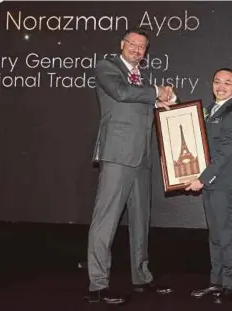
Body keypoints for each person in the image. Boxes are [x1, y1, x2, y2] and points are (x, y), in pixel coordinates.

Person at [85, 28, 176, 305]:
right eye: (133, 44)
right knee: (106, 220)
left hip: (142, 158)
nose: (137, 50)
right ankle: (98, 284)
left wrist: (163, 105)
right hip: (117, 154)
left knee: (140, 221)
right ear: (122, 45)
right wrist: (156, 92)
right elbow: (121, 93)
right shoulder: (107, 67)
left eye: (142, 47)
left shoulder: (142, 78)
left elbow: (141, 104)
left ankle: (142, 276)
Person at [185, 68, 232, 304]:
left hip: (222, 183)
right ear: (212, 84)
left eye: (227, 83)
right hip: (210, 182)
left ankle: (231, 286)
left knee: (226, 234)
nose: (221, 86)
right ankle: (216, 281)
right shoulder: (209, 109)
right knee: (215, 235)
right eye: (218, 82)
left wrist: (202, 178)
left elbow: (225, 153)